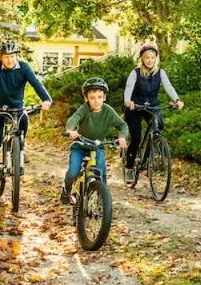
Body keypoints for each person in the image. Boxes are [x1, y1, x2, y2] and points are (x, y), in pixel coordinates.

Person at [0, 40, 52, 192]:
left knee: (23, 121)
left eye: (12, 56)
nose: (10, 60)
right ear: (1, 57)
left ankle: (19, 149)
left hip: (17, 108)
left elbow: (36, 83)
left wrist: (46, 99)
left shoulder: (24, 67)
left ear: (17, 55)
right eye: (6, 57)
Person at [122, 43, 184, 184]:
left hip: (152, 107)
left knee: (158, 126)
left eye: (152, 57)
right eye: (147, 58)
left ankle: (152, 153)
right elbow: (129, 88)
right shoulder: (135, 73)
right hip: (135, 107)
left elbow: (168, 86)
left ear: (155, 58)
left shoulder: (160, 73)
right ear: (142, 59)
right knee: (136, 137)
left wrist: (177, 100)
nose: (150, 60)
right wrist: (128, 101)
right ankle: (130, 166)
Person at [62, 77, 129, 204]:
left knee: (101, 172)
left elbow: (122, 125)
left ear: (104, 97)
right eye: (92, 98)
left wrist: (122, 137)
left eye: (99, 97)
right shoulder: (84, 109)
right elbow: (74, 118)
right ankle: (66, 189)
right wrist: (70, 130)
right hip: (80, 145)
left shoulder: (108, 111)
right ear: (86, 98)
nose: (96, 101)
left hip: (98, 146)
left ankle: (101, 200)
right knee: (73, 171)